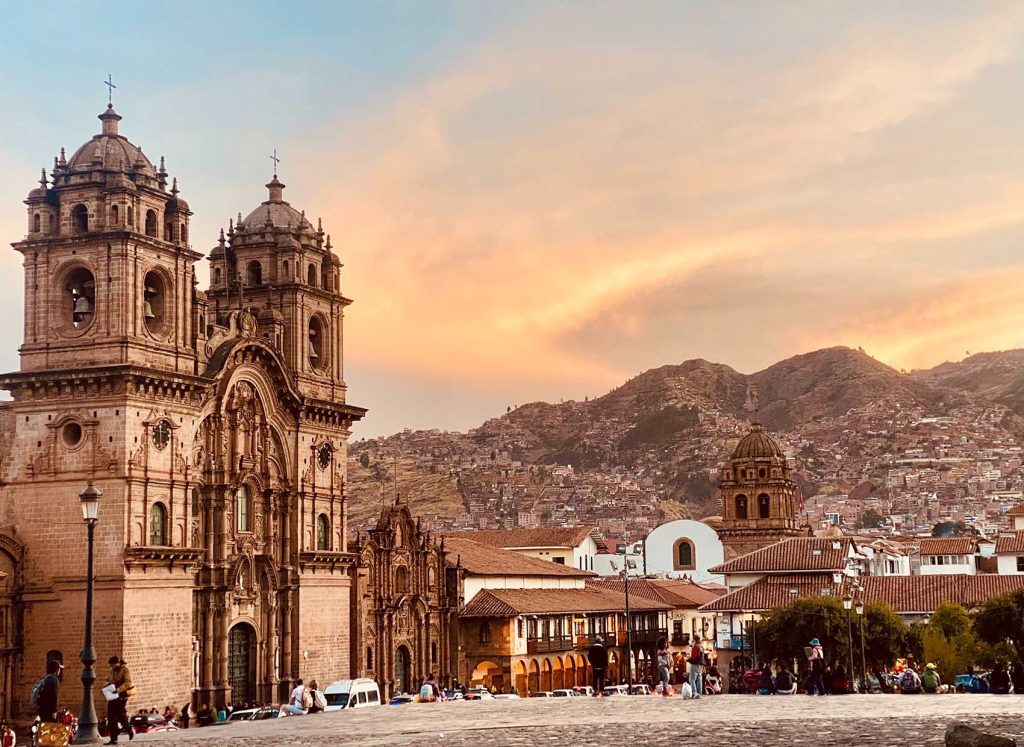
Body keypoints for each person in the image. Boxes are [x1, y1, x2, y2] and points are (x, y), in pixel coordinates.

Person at [103, 656, 134, 745]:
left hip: (121, 696)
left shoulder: (125, 670)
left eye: (113, 665)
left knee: (120, 716)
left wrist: (119, 689)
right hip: (113, 696)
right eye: (111, 665)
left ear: (118, 663)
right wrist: (107, 684)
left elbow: (128, 683)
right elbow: (108, 680)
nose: (112, 667)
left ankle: (129, 729)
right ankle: (113, 739)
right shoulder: (112, 671)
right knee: (111, 717)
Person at [35, 659, 62, 723]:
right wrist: (54, 711)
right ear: (57, 669)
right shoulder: (54, 679)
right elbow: (54, 696)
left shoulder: (45, 678)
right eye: (59, 669)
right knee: (49, 729)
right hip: (49, 710)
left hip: (42, 709)